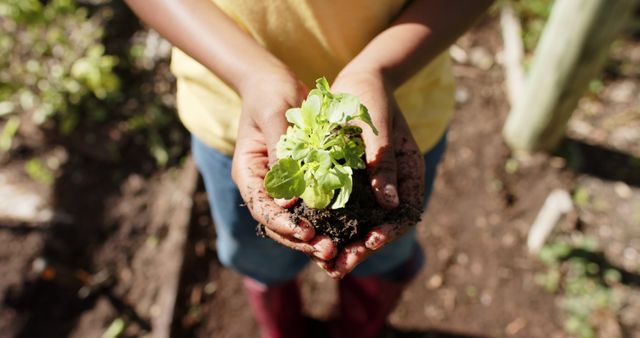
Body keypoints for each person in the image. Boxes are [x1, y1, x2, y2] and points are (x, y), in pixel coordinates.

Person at [124, 1, 493, 337]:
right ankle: (283, 327)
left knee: (383, 253)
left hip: (395, 124)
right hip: (237, 118)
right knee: (260, 256)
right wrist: (250, 73)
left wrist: (380, 69)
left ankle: (358, 328)